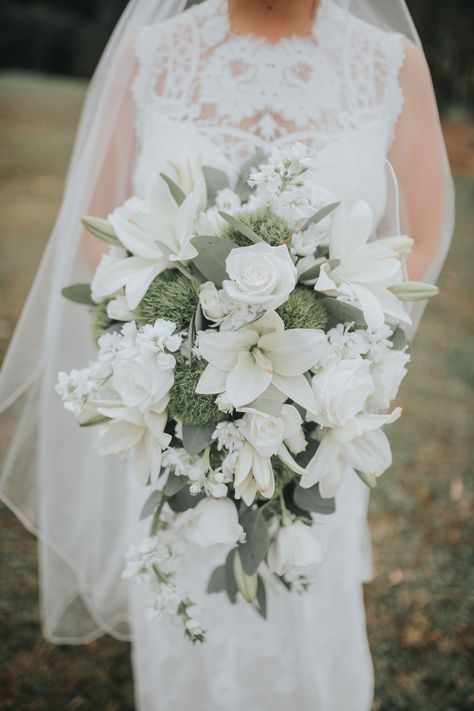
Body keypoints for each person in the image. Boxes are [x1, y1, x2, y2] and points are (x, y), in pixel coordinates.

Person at [0, 1, 454, 709]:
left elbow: (422, 232)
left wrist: (342, 350)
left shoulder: (390, 62)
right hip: (181, 405)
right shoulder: (153, 53)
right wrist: (174, 328)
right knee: (191, 604)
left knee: (310, 593)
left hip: (319, 407)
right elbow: (96, 224)